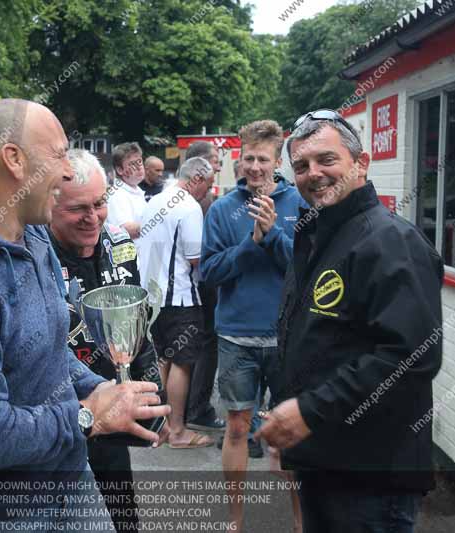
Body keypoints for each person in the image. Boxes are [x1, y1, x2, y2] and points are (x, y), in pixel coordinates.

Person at [0, 98, 170, 532]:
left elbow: (48, 348)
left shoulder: (36, 238)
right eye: (60, 153)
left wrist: (105, 392)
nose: (69, 170)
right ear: (13, 160)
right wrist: (86, 415)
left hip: (70, 483)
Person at [256, 110, 443, 533]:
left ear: (362, 163)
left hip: (371, 479)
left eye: (327, 160)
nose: (313, 173)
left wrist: (310, 411)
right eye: (301, 165)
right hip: (326, 463)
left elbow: (412, 355)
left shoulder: (390, 241)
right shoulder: (320, 234)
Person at [49, 148, 168, 532]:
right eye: (77, 208)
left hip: (115, 410)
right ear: (49, 205)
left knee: (120, 519)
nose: (93, 216)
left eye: (99, 203)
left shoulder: (119, 242)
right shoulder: (33, 257)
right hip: (61, 418)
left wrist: (154, 392)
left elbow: (137, 328)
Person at [200, 120, 305, 533]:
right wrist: (251, 244)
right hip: (236, 338)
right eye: (248, 159)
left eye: (263, 159)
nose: (255, 167)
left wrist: (273, 233)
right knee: (238, 427)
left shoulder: (299, 203)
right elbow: (208, 273)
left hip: (285, 337)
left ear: (277, 161)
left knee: (291, 433)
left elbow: (306, 268)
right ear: (237, 160)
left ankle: (300, 520)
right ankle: (236, 520)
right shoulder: (223, 209)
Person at [138, 156, 215, 450]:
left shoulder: (156, 201)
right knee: (182, 363)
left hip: (153, 295)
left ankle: (165, 427)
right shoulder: (188, 206)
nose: (206, 193)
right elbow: (196, 257)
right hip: (181, 297)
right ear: (195, 179)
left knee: (164, 359)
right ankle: (179, 431)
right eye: (206, 186)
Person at [181, 141, 226, 436]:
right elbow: (200, 255)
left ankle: (186, 406)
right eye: (214, 160)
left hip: (183, 289)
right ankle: (198, 408)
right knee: (207, 345)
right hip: (201, 286)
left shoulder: (176, 200)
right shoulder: (204, 203)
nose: (219, 166)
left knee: (189, 348)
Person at [107, 142, 146, 240]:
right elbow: (125, 230)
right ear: (120, 170)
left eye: (140, 161)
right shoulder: (116, 195)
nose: (139, 167)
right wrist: (159, 223)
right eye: (132, 164)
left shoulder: (136, 191)